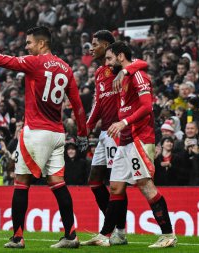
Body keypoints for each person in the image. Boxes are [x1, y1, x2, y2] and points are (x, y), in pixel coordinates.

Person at [0, 26, 88, 248]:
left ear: (42, 44)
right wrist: (82, 134)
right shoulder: (66, 68)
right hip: (57, 134)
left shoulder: (35, 62)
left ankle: (17, 237)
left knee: (21, 182)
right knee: (58, 183)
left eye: (29, 43)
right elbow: (78, 106)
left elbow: (1, 60)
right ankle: (71, 235)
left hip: (36, 133)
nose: (26, 47)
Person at [93, 41, 177, 248]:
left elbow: (147, 107)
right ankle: (108, 235)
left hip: (139, 138)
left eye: (110, 58)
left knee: (145, 186)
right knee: (115, 187)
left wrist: (123, 121)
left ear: (121, 56)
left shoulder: (137, 75)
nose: (108, 63)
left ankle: (168, 235)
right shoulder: (124, 74)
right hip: (125, 140)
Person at [82, 30, 147, 246]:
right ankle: (118, 227)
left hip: (117, 131)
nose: (91, 48)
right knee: (94, 181)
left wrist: (124, 72)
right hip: (103, 133)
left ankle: (116, 232)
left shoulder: (120, 67)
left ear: (108, 45)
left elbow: (140, 62)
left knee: (115, 183)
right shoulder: (100, 72)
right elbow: (98, 103)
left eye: (94, 44)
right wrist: (87, 127)